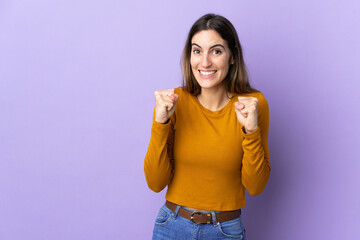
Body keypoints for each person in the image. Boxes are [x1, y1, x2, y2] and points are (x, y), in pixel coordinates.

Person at [144, 13, 270, 240]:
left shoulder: (252, 105)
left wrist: (251, 131)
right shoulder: (172, 102)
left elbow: (255, 186)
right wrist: (160, 123)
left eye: (216, 51)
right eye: (197, 50)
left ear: (232, 56)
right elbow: (155, 182)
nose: (205, 62)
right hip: (171, 226)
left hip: (225, 230)